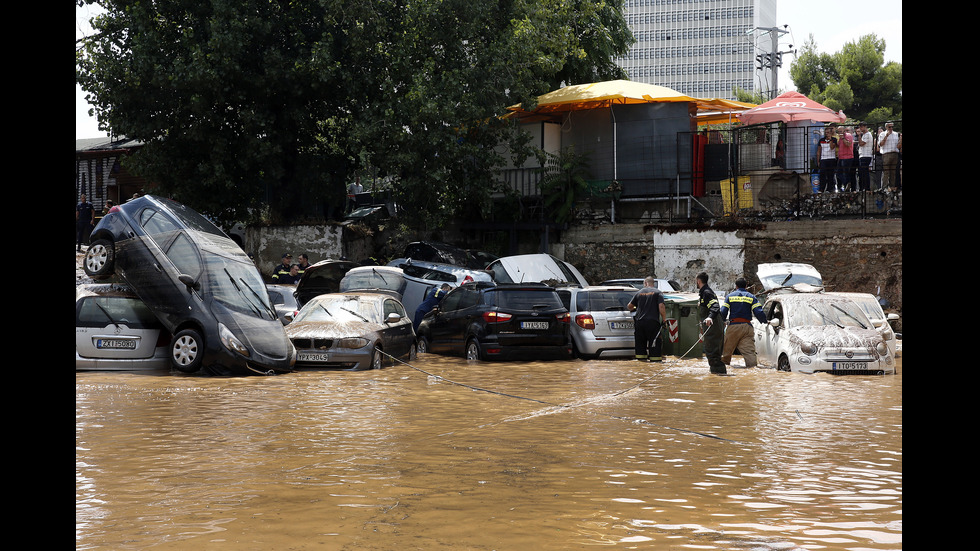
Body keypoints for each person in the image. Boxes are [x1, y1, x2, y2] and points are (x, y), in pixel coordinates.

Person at [719, 278, 767, 368]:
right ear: (746, 286)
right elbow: (759, 312)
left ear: (736, 286)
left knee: (726, 352)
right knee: (749, 353)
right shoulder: (751, 297)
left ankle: (723, 371)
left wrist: (721, 321)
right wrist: (764, 321)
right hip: (747, 327)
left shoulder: (730, 296)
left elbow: (723, 311)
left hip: (733, 327)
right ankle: (752, 369)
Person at [627, 276, 667, 362]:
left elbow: (629, 306)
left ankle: (641, 363)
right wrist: (664, 319)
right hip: (653, 322)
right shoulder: (658, 293)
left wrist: (636, 307)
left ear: (645, 283)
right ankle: (655, 363)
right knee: (654, 343)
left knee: (640, 344)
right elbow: (661, 306)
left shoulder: (639, 293)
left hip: (640, 323)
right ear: (653, 284)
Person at [696, 272, 726, 374]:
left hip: (713, 327)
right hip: (711, 328)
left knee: (713, 354)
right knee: (712, 353)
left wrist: (709, 317)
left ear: (698, 281)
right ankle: (715, 377)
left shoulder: (707, 292)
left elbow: (715, 306)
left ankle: (719, 378)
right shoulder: (704, 292)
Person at [878, 122, 901, 192]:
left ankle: (892, 186)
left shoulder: (896, 134)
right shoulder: (882, 134)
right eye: (889, 127)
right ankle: (884, 187)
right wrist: (886, 136)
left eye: (892, 127)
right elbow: (881, 144)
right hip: (886, 154)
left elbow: (898, 145)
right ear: (886, 127)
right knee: (886, 172)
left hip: (895, 153)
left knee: (893, 172)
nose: (891, 128)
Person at [816, 126, 837, 193]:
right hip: (823, 159)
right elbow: (819, 150)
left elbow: (832, 147)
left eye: (828, 132)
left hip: (831, 159)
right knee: (822, 174)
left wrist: (830, 140)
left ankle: (830, 188)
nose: (826, 134)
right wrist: (818, 160)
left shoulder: (834, 139)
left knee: (830, 175)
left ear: (831, 133)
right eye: (826, 133)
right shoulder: (821, 140)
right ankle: (822, 188)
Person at [835, 126, 855, 192]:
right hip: (841, 157)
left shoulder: (848, 135)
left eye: (841, 131)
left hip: (847, 157)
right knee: (838, 173)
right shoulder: (840, 138)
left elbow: (848, 144)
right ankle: (846, 184)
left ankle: (847, 185)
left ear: (844, 131)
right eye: (838, 131)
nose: (840, 133)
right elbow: (838, 145)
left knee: (845, 173)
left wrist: (843, 138)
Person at [856, 122, 874, 192]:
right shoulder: (864, 135)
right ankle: (863, 187)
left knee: (864, 172)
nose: (860, 128)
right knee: (862, 172)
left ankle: (866, 188)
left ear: (865, 127)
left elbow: (861, 143)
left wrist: (859, 136)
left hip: (866, 155)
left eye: (861, 127)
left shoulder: (867, 135)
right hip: (862, 155)